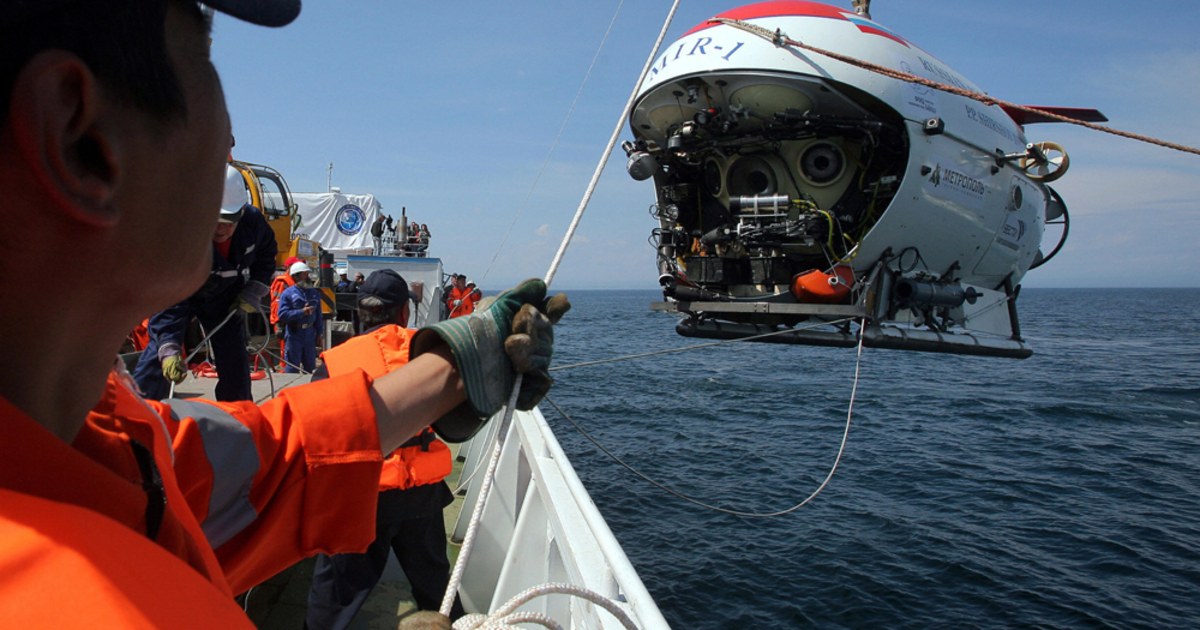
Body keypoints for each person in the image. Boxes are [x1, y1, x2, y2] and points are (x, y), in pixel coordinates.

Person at [0, 1, 567, 626]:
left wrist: (454, 368)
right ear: (80, 138)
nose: (231, 140)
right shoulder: (87, 597)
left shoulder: (95, 429)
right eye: (202, 59)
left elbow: (268, 463)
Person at [306, 270, 465, 628]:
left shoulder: (334, 362)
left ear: (361, 313)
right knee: (436, 585)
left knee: (334, 595)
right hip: (419, 496)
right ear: (404, 314)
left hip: (359, 497)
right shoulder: (429, 353)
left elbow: (318, 430)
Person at [132, 163, 277, 401]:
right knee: (158, 356)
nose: (221, 228)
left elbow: (266, 254)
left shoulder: (253, 223)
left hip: (226, 300)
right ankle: (139, 413)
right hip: (181, 295)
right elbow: (169, 298)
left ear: (240, 212)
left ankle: (238, 415)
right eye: (214, 220)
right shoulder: (181, 235)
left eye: (228, 221)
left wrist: (255, 288)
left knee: (234, 359)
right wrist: (168, 346)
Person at [277, 261, 323, 373]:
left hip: (310, 334)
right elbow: (282, 314)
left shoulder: (314, 293)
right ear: (296, 276)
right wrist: (301, 312)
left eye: (307, 273)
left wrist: (319, 333)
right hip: (294, 334)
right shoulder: (287, 294)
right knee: (292, 368)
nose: (307, 277)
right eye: (304, 274)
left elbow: (318, 315)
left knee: (310, 368)